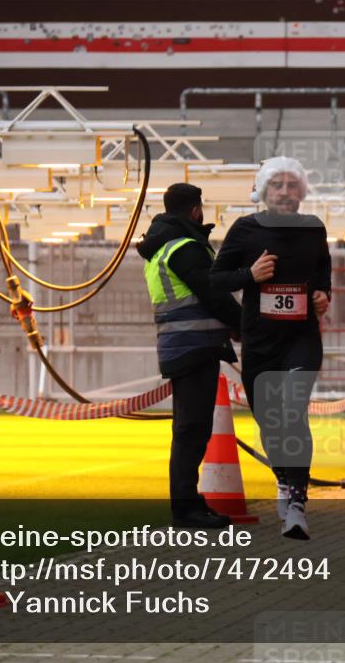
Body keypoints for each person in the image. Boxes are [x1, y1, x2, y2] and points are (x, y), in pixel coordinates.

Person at [210, 156, 331, 540]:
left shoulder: (314, 229)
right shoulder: (246, 229)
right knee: (271, 421)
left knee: (293, 409)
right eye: (276, 185)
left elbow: (323, 272)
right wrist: (250, 275)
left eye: (291, 185)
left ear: (301, 191)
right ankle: (283, 478)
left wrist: (323, 295)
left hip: (302, 339)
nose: (284, 191)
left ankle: (297, 502)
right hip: (261, 343)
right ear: (263, 191)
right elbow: (215, 280)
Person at [136, 183, 242, 529]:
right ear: (195, 210)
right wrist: (244, 326)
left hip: (182, 346)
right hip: (194, 347)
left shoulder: (162, 248)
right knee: (192, 429)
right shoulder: (185, 248)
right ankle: (186, 508)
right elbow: (214, 295)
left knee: (190, 428)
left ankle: (189, 503)